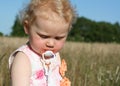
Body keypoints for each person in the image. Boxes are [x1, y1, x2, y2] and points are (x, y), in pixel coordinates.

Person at [9, 0, 76, 86]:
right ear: (27, 28)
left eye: (58, 38)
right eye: (44, 36)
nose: (51, 44)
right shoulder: (24, 59)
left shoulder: (55, 55)